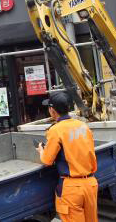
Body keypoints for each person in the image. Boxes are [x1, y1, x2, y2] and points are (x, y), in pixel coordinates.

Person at [35, 92, 98, 222]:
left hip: (72, 188)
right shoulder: (83, 126)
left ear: (52, 110)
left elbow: (47, 160)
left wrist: (41, 150)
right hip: (90, 184)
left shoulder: (56, 130)